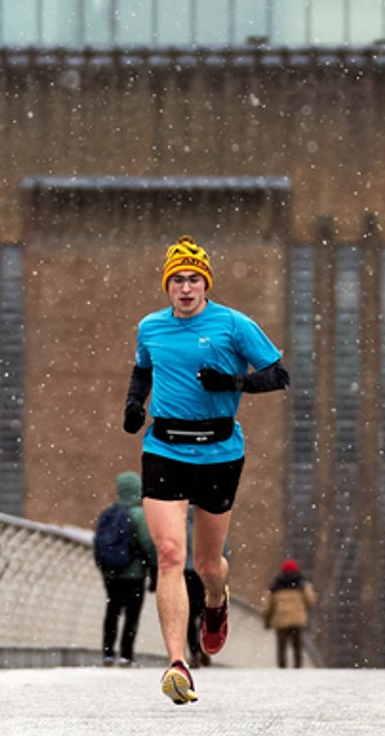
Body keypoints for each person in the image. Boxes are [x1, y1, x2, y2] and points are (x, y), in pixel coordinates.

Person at [122, 235, 289, 704]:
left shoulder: (233, 325)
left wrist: (235, 382)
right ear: (167, 286)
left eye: (194, 279)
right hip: (165, 448)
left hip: (219, 450)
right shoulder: (150, 327)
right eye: (177, 280)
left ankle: (215, 604)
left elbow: (279, 373)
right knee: (170, 555)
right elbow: (143, 369)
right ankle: (177, 663)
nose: (186, 288)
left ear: (205, 284)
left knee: (207, 564)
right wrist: (135, 404)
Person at [99, 470, 158, 665]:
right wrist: (154, 569)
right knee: (131, 615)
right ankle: (126, 654)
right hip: (134, 573)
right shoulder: (139, 515)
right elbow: (148, 545)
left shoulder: (108, 513)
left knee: (112, 611)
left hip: (112, 573)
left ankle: (107, 653)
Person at [263, 558, 317, 669]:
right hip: (297, 619)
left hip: (281, 620)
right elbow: (310, 600)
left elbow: (268, 606)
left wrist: (267, 622)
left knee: (281, 646)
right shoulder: (301, 583)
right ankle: (298, 667)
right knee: (297, 645)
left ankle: (282, 668)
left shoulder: (276, 585)